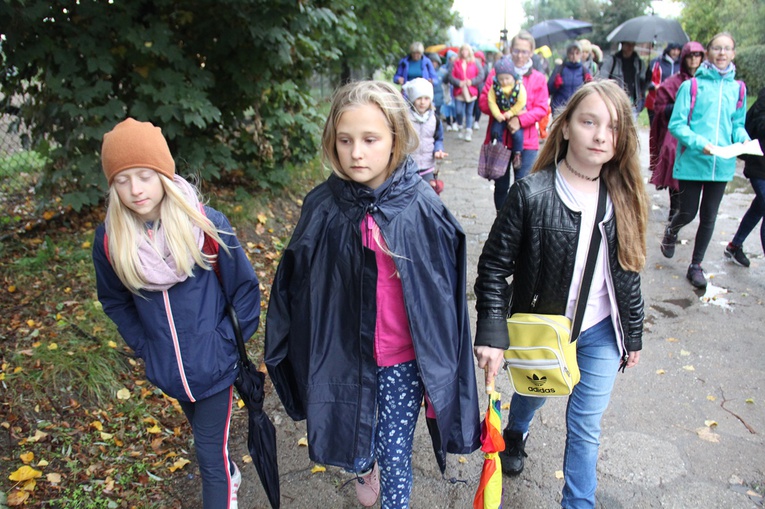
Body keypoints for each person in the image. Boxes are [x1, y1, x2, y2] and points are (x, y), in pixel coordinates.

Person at [264, 80, 480, 508]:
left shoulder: (420, 205)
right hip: (343, 355)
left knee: (395, 451)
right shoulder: (323, 206)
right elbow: (297, 288)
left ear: (395, 139)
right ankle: (364, 467)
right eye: (345, 140)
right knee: (353, 441)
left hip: (401, 359)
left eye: (369, 140)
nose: (356, 153)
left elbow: (443, 296)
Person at [473, 80, 648, 509]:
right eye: (589, 122)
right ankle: (516, 430)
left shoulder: (624, 197)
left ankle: (578, 503)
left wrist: (634, 334)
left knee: (586, 426)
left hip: (601, 333)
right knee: (535, 393)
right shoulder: (531, 194)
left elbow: (629, 271)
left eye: (613, 127)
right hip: (545, 328)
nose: (601, 135)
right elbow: (493, 267)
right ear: (566, 127)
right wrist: (492, 331)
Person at [92, 118, 261, 509]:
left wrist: (223, 344)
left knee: (208, 456)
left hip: (215, 366)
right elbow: (114, 300)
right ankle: (229, 470)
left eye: (144, 176)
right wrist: (147, 346)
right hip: (170, 369)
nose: (135, 189)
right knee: (208, 443)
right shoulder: (111, 240)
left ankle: (224, 482)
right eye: (123, 180)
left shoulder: (204, 224)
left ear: (163, 175)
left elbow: (244, 289)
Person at [661, 32, 751, 289]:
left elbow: (737, 125)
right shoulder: (691, 86)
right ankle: (672, 230)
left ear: (733, 54)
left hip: (722, 164)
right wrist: (701, 144)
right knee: (688, 213)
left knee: (709, 216)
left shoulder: (739, 89)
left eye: (727, 48)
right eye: (717, 48)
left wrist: (743, 140)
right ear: (708, 53)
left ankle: (696, 265)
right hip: (693, 161)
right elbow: (677, 124)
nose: (722, 53)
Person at [479, 31, 550, 210]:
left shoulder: (538, 78)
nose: (520, 55)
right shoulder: (496, 73)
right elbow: (483, 102)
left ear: (531, 52)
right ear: (511, 50)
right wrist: (504, 112)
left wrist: (520, 119)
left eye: (524, 51)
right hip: (500, 140)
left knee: (523, 187)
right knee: (501, 187)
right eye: (517, 50)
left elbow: (542, 108)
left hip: (526, 142)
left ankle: (518, 225)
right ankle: (501, 221)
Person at [648, 41, 705, 223]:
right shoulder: (673, 83)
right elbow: (660, 108)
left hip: (700, 133)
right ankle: (675, 211)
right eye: (690, 55)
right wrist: (679, 106)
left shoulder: (707, 83)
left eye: (697, 55)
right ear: (684, 58)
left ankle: (685, 212)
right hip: (675, 134)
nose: (694, 59)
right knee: (673, 159)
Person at [724, 86, 765, 267]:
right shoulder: (762, 102)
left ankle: (734, 246)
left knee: (759, 207)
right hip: (759, 166)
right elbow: (755, 126)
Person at [403, 77, 448, 189]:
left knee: (428, 194)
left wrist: (438, 150)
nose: (422, 102)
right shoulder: (405, 119)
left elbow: (438, 138)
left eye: (426, 98)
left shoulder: (435, 119)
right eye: (419, 98)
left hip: (428, 166)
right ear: (413, 99)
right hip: (408, 167)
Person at [487, 57, 527, 168]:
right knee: (495, 131)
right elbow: (491, 101)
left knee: (517, 134)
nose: (504, 82)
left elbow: (521, 101)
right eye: (501, 79)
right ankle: (497, 151)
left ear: (513, 76)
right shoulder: (494, 88)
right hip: (501, 114)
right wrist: (497, 114)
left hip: (515, 113)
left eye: (507, 78)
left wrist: (511, 112)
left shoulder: (519, 86)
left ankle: (517, 154)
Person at [598, 41, 646, 119]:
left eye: (632, 44)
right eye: (627, 44)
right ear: (622, 45)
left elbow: (643, 82)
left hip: (633, 104)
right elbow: (602, 79)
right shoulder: (612, 61)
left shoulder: (639, 63)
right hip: (615, 103)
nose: (630, 47)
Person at [449, 44, 483, 142]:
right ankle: (460, 126)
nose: (464, 52)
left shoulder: (475, 62)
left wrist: (472, 82)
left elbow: (481, 75)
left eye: (466, 50)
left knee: (469, 112)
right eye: (463, 50)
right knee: (459, 111)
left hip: (471, 91)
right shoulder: (455, 62)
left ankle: (468, 131)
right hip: (459, 91)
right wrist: (458, 82)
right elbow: (450, 76)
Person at [548, 41, 593, 116]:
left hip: (577, 108)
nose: (574, 56)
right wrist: (555, 85)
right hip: (560, 108)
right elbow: (549, 90)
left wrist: (589, 84)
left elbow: (590, 92)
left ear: (580, 54)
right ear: (568, 54)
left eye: (577, 53)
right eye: (572, 53)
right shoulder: (559, 69)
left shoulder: (584, 70)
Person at [644, 43, 682, 125]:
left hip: (675, 102)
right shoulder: (656, 62)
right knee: (655, 127)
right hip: (655, 100)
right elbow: (646, 82)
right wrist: (655, 86)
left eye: (678, 50)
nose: (675, 52)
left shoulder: (682, 65)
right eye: (673, 49)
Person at [440, 50, 459, 131]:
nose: (452, 61)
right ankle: (448, 123)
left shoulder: (457, 67)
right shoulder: (443, 68)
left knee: (454, 107)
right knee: (446, 106)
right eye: (450, 59)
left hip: (454, 89)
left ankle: (454, 122)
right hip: (446, 90)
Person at [427, 52, 445, 118]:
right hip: (428, 96)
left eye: (435, 62)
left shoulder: (442, 72)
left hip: (439, 96)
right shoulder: (425, 72)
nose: (433, 63)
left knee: (437, 115)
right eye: (431, 62)